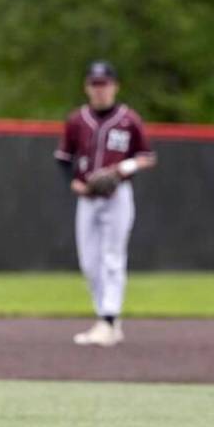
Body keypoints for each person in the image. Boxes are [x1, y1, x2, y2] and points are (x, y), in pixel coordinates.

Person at [54, 60, 157, 347]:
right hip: (88, 197)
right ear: (87, 87)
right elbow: (63, 160)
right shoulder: (77, 120)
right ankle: (105, 317)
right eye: (95, 84)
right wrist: (74, 182)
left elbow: (147, 156)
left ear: (115, 86)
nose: (100, 90)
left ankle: (109, 319)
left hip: (117, 196)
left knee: (112, 257)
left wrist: (121, 170)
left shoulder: (129, 119)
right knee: (89, 262)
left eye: (105, 84)